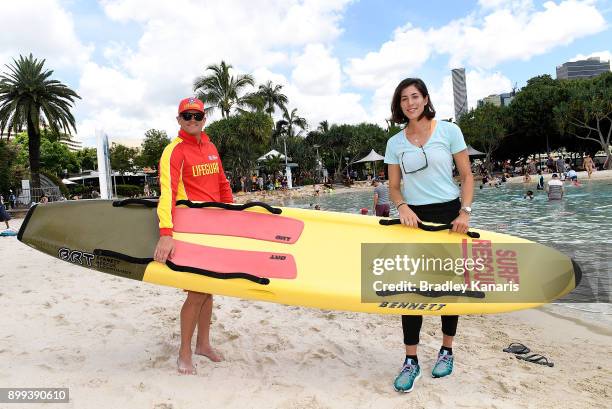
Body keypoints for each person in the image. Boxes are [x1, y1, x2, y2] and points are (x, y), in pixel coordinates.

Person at [384, 78, 474, 393]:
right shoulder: (394, 143)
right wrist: (402, 207)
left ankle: (446, 350)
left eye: (415, 96)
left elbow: (466, 176)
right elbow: (394, 186)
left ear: (425, 99)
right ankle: (411, 360)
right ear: (399, 104)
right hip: (413, 220)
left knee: (449, 289)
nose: (410, 103)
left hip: (450, 216)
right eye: (404, 98)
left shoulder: (450, 131)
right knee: (411, 291)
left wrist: (465, 212)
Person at [155, 97, 233, 375]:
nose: (192, 120)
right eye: (186, 116)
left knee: (209, 290)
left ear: (203, 119)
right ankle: (184, 352)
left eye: (197, 116)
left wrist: (232, 217)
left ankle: (203, 344)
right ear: (178, 120)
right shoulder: (173, 151)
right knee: (197, 291)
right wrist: (166, 233)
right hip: (192, 230)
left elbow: (223, 184)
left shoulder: (211, 147)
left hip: (216, 229)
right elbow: (168, 193)